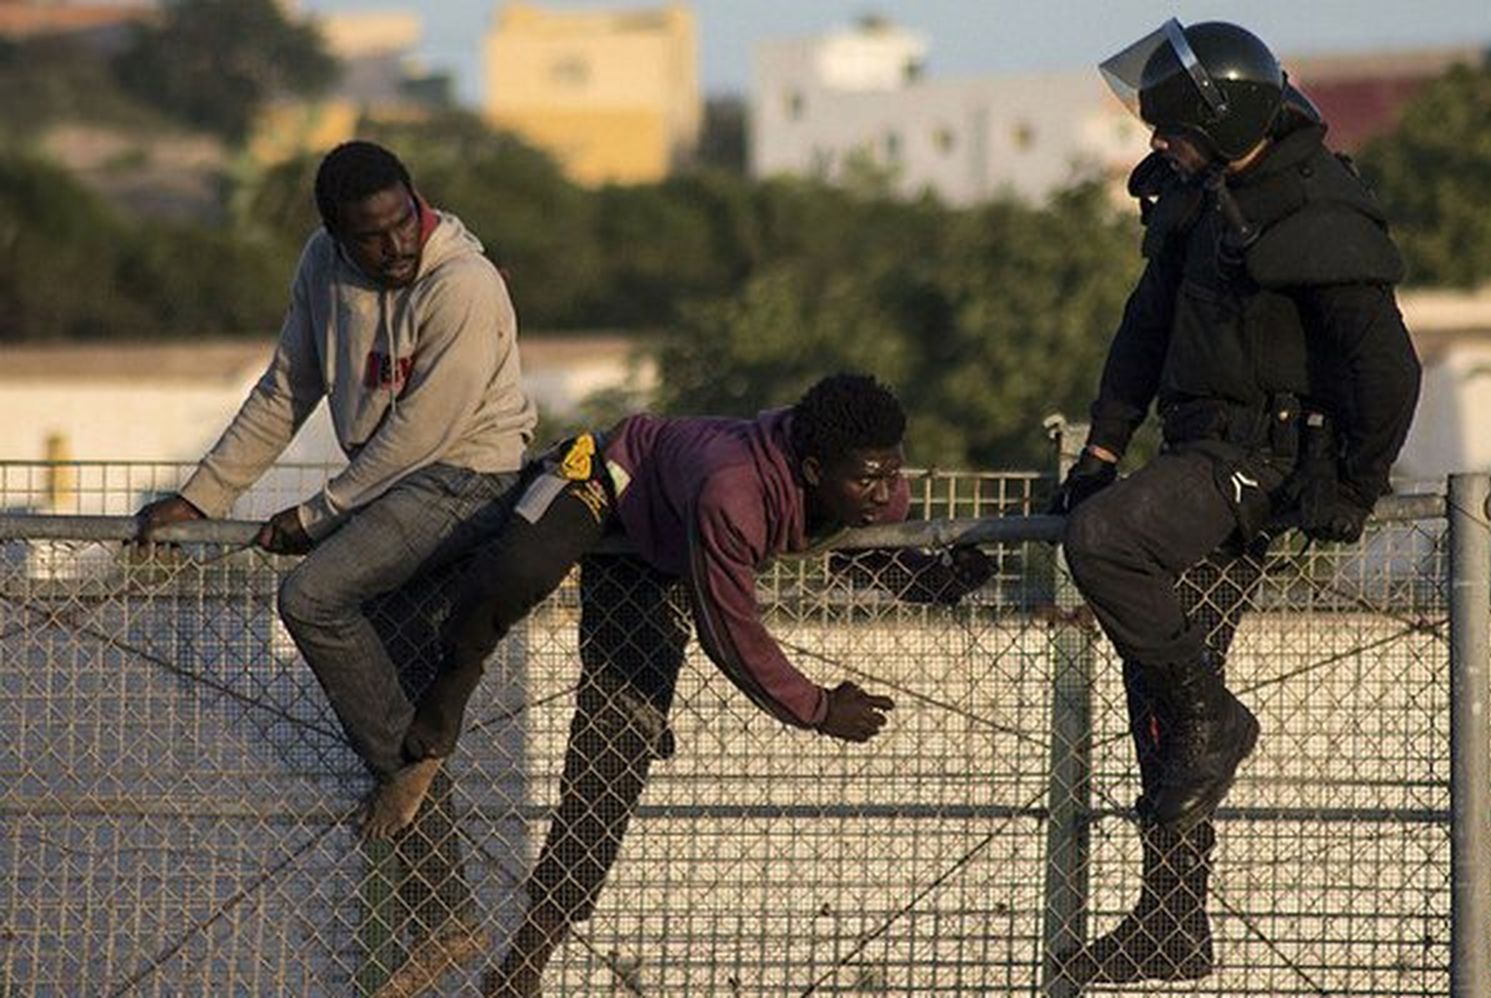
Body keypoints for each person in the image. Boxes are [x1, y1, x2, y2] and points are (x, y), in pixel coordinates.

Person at [387, 372, 995, 996]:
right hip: (614, 491)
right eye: (866, 478)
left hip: (676, 551)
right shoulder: (734, 492)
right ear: (813, 469)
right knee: (515, 576)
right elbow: (730, 632)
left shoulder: (870, 491)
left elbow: (861, 549)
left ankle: (518, 973)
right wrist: (817, 707)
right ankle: (433, 723)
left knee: (614, 759)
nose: (884, 494)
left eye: (894, 473)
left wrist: (936, 581)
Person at [1050, 20, 1422, 987]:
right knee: (1165, 707)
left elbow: (1388, 369)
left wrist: (1349, 486)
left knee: (1104, 542)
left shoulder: (1312, 206)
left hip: (1252, 462)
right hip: (1192, 448)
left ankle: (1218, 720)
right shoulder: (1200, 197)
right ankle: (1172, 924)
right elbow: (1144, 329)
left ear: (1224, 119)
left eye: (1172, 129)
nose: (1157, 144)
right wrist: (1098, 448)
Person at [133, 140, 537, 997]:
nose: (397, 246)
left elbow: (425, 433)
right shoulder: (322, 267)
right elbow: (288, 386)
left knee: (311, 596)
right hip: (392, 486)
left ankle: (413, 784)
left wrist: (318, 515)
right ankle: (446, 911)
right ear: (334, 233)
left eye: (405, 223)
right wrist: (204, 496)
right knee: (401, 725)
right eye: (373, 237)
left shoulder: (463, 283)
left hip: (471, 473)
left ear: (417, 201)